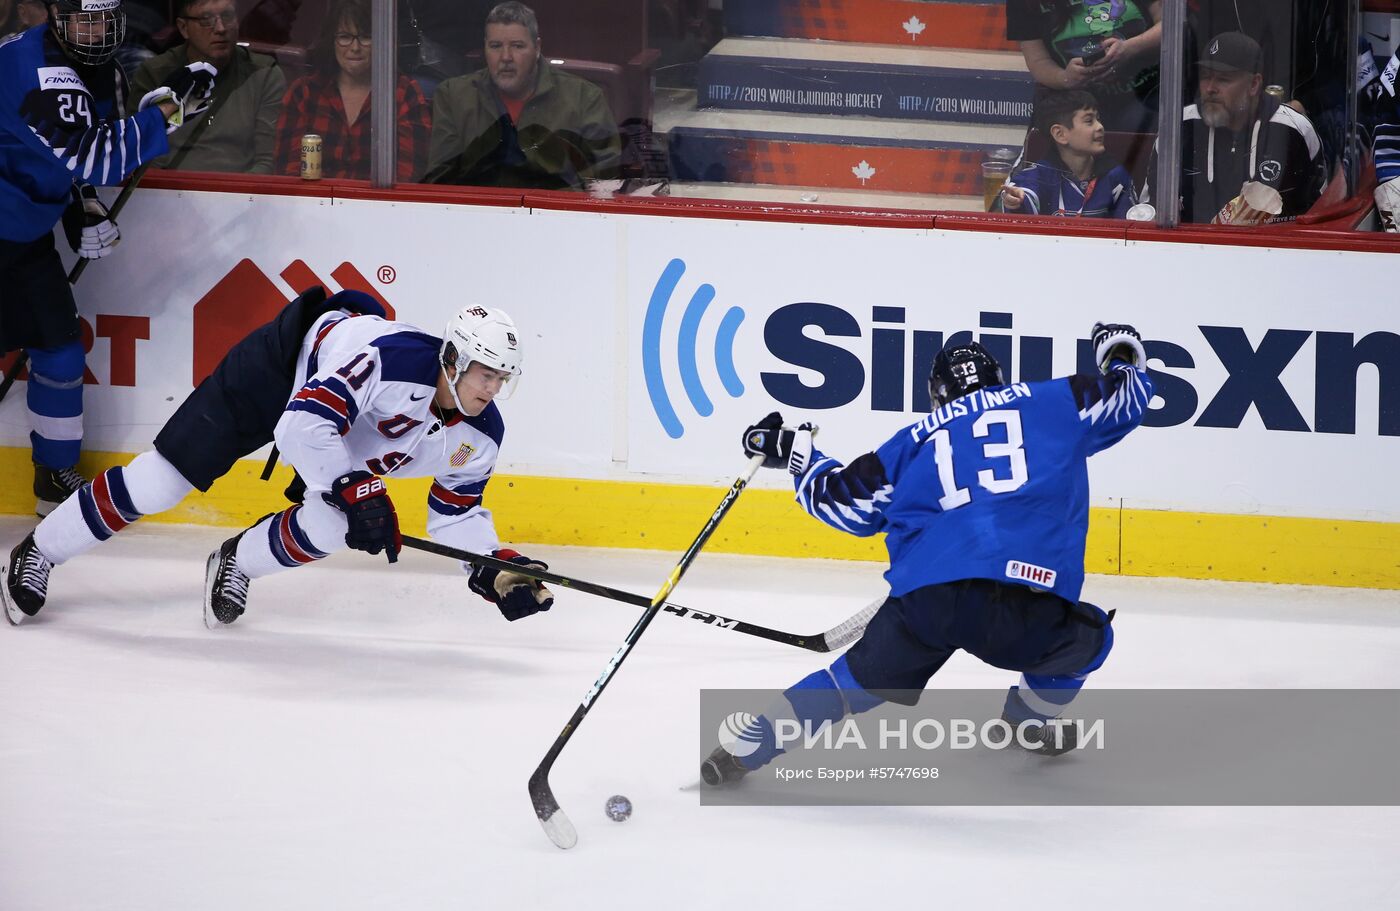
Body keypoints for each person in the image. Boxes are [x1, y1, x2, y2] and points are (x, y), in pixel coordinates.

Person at [700, 323, 1153, 785]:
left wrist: (797, 453)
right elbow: (1131, 395)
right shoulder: (1054, 401)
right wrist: (1117, 350)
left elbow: (842, 506)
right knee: (1088, 640)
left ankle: (740, 751)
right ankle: (1028, 722)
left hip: (927, 601)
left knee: (849, 685)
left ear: (937, 394)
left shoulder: (911, 442)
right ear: (998, 377)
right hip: (1025, 599)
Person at [1, 286, 557, 630]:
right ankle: (40, 551)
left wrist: (493, 567)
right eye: (487, 373)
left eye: (502, 378)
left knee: (339, 521)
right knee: (163, 481)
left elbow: (455, 514)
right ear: (454, 361)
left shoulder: (482, 434)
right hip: (280, 371)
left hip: (350, 428)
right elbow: (300, 426)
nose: (494, 388)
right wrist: (353, 484)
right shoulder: (389, 364)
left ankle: (235, 564)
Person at [0, 0, 214, 515]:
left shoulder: (103, 73)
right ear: (54, 16)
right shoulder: (26, 68)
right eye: (83, 21)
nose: (95, 33)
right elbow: (91, 152)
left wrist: (84, 205)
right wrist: (168, 111)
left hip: (23, 237)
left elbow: (79, 162)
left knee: (61, 353)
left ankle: (54, 477)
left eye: (103, 19)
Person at [423, 1, 621, 189]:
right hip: (479, 217)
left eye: (517, 46)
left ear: (537, 48)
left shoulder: (584, 98)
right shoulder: (453, 96)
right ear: (485, 47)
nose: (506, 57)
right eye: (495, 46)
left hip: (557, 219)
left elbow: (603, 183)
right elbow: (440, 180)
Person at [1143, 31, 1327, 225]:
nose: (1210, 88)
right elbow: (1150, 210)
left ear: (1254, 84)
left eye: (1223, 79)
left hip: (1274, 250)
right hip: (1193, 250)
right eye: (1205, 77)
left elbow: (1319, 214)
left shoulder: (1294, 130)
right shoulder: (1178, 127)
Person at [273, 0, 432, 181]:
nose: (355, 48)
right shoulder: (304, 93)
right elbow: (288, 175)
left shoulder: (404, 94)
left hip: (379, 206)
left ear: (382, 42)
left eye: (365, 37)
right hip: (312, 205)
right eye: (345, 37)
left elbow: (409, 179)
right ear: (331, 40)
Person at [129, 0, 284, 173]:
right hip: (170, 193)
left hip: (241, 193)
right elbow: (143, 159)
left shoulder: (264, 74)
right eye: (206, 19)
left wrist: (233, 195)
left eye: (227, 16)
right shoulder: (154, 75)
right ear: (183, 28)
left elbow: (267, 162)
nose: (220, 28)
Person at [1006, 0, 1162, 133]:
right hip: (1072, 99)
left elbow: (1170, 25)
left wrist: (1130, 48)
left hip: (1144, 91)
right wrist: (1065, 78)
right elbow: (1038, 60)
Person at [1000, 89, 1138, 217]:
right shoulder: (1038, 175)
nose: (1100, 127)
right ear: (1060, 134)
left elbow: (1129, 228)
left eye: (1098, 119)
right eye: (1089, 121)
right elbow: (1024, 194)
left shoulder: (1116, 176)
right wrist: (1016, 201)